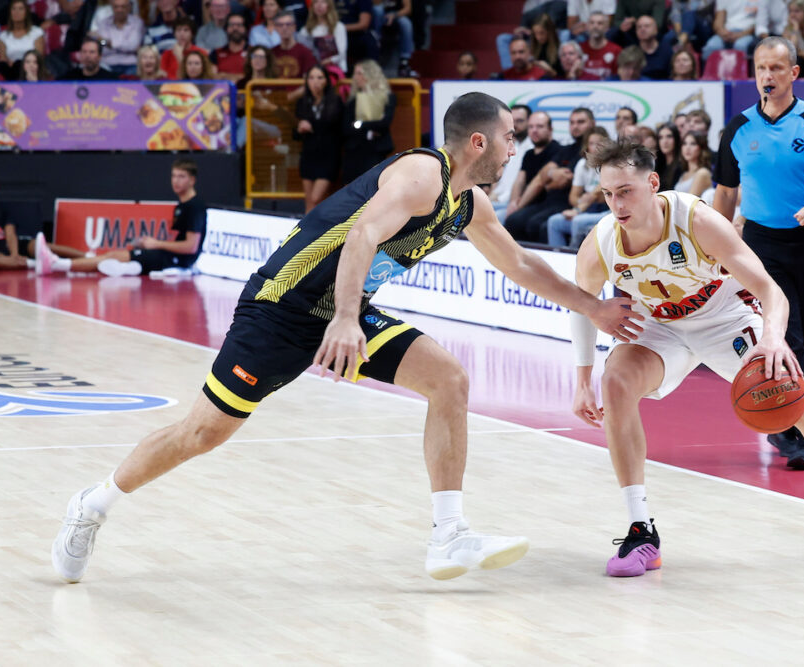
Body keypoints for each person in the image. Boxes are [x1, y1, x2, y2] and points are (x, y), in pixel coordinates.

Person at [50, 92, 643, 585]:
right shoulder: (420, 175)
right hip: (281, 309)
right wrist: (343, 316)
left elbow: (522, 266)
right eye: (511, 137)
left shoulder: (469, 204)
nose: (517, 148)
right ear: (479, 143)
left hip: (347, 312)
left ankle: (448, 536)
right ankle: (92, 506)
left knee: (449, 380)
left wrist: (593, 307)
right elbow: (361, 236)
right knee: (202, 433)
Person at [569, 139, 804, 578]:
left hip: (723, 317)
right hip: (657, 325)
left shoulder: (696, 219)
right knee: (615, 383)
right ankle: (640, 530)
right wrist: (583, 378)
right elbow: (582, 304)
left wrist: (774, 338)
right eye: (607, 194)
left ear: (652, 183)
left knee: (796, 399)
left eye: (625, 191)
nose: (616, 204)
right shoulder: (603, 241)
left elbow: (770, 291)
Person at [714, 37, 804, 470]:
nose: (768, 77)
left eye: (777, 68)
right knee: (786, 336)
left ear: (794, 73)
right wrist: (716, 248)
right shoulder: (738, 128)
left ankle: (799, 422)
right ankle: (788, 431)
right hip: (761, 245)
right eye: (761, 68)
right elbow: (724, 194)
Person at [36, 159, 207, 278]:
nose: (175, 181)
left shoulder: (194, 207)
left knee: (114, 256)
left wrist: (156, 243)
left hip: (176, 261)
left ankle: (56, 264)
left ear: (192, 180)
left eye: (181, 176)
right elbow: (180, 240)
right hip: (168, 255)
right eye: (173, 175)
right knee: (114, 255)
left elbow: (191, 247)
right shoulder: (181, 206)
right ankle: (129, 268)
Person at [507, 107, 596, 243]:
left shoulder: (592, 153)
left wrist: (549, 180)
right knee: (514, 220)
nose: (575, 126)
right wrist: (551, 175)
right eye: (572, 123)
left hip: (568, 203)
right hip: (549, 202)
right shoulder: (565, 149)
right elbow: (542, 176)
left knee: (536, 224)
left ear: (592, 123)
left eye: (580, 122)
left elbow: (563, 180)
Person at [546, 126, 610, 249]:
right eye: (592, 143)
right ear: (587, 146)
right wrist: (582, 203)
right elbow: (573, 197)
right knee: (554, 222)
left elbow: (596, 195)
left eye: (599, 143)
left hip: (605, 210)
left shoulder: (612, 164)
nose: (595, 147)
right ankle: (559, 261)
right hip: (587, 209)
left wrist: (578, 210)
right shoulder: (582, 164)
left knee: (577, 221)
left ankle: (576, 261)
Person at [294, 65, 344, 212]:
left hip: (328, 155)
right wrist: (299, 128)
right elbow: (295, 135)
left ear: (327, 81)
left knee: (316, 197)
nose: (315, 81)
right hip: (308, 155)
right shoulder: (302, 103)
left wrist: (311, 125)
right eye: (311, 78)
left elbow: (334, 125)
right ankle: (306, 234)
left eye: (320, 77)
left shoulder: (335, 101)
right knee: (309, 201)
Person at [341, 59, 394, 183]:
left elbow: (384, 123)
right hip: (354, 150)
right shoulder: (352, 100)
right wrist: (368, 128)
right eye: (355, 73)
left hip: (376, 150)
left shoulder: (388, 97)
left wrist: (360, 124)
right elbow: (346, 127)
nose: (355, 77)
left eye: (359, 73)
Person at [489, 103, 531, 222]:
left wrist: (498, 198)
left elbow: (520, 183)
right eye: (512, 121)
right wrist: (492, 194)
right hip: (498, 198)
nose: (515, 125)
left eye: (520, 121)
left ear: (529, 121)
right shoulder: (513, 146)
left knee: (479, 214)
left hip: (512, 201)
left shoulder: (531, 149)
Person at [93, 0, 144, 75]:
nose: (119, 10)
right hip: (107, 64)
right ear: (111, 7)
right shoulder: (103, 23)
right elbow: (102, 45)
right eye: (116, 7)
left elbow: (133, 46)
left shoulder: (137, 23)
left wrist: (109, 43)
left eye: (123, 6)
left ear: (129, 7)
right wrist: (104, 43)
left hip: (130, 64)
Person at [299, 0, 347, 75]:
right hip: (312, 71)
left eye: (323, 2)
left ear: (329, 5)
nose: (319, 5)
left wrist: (327, 61)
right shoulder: (305, 30)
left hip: (335, 70)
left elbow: (342, 52)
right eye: (316, 2)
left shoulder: (338, 27)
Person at [0, 0, 45, 69]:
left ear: (26, 12)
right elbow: (3, 59)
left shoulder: (36, 32)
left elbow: (39, 57)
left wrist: (24, 66)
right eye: (14, 9)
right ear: (10, 12)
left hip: (32, 69)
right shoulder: (3, 36)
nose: (17, 12)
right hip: (11, 70)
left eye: (20, 9)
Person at [272, 9, 316, 77]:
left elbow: (309, 82)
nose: (284, 28)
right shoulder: (271, 53)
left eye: (288, 24)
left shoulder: (305, 53)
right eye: (280, 25)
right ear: (275, 28)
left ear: (294, 27)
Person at [580, 11, 621, 79]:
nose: (595, 26)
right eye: (592, 23)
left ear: (607, 28)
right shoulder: (580, 49)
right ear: (587, 27)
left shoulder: (616, 50)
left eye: (600, 23)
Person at [634, 14, 674, 80]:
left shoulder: (667, 52)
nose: (642, 29)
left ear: (656, 29)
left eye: (647, 26)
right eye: (639, 27)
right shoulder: (632, 52)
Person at [212, 12, 248, 82]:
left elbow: (254, 77)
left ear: (245, 28)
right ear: (226, 29)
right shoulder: (216, 53)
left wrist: (224, 76)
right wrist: (240, 77)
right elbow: (213, 77)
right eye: (231, 25)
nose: (235, 28)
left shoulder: (253, 51)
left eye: (239, 25)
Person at [675, 131, 712, 197]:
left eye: (693, 144)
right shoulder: (684, 174)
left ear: (701, 148)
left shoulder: (702, 173)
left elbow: (689, 202)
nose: (687, 148)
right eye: (684, 143)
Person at [528, 13, 560, 78]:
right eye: (535, 33)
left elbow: (564, 79)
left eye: (541, 33)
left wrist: (550, 71)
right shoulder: (533, 46)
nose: (538, 37)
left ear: (549, 31)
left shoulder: (559, 49)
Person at [654, 122, 682, 189]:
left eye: (669, 136)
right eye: (661, 137)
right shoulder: (656, 165)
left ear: (676, 139)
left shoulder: (682, 166)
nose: (665, 141)